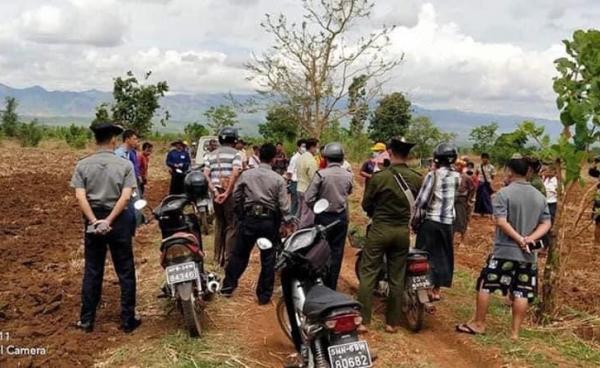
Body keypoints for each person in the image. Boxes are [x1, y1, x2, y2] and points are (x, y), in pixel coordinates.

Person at [457, 156, 551, 340]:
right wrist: (529, 239)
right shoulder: (540, 196)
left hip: (504, 250)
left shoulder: (504, 193)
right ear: (528, 172)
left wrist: (518, 239)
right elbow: (546, 223)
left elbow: (501, 221)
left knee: (485, 284)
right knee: (521, 291)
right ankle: (515, 333)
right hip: (528, 253)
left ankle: (479, 323)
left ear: (510, 171)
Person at [70, 123, 141, 333]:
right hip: (118, 221)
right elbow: (126, 196)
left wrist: (94, 221)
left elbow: (80, 196)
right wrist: (109, 220)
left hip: (94, 220)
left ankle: (86, 321)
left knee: (92, 270)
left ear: (95, 140)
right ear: (113, 140)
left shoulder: (82, 165)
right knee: (125, 270)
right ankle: (128, 320)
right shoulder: (124, 165)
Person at [357, 137, 422, 334]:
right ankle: (391, 323)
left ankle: (363, 321)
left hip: (380, 229)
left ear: (390, 153)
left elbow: (366, 205)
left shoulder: (380, 177)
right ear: (408, 155)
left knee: (368, 273)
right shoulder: (417, 178)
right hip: (402, 232)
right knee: (397, 276)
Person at [221, 143, 290, 304]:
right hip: (268, 223)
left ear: (258, 156)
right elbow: (284, 205)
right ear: (274, 159)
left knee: (239, 254)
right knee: (268, 258)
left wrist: (240, 214)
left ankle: (228, 287)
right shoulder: (278, 179)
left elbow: (237, 196)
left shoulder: (246, 175)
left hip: (249, 220)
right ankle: (264, 296)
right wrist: (287, 222)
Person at [413, 143, 460, 301]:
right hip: (447, 223)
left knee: (424, 255)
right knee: (443, 256)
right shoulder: (457, 176)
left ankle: (424, 288)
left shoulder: (433, 176)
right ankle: (437, 290)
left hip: (431, 222)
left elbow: (422, 201)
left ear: (437, 158)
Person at [305, 142, 353, 290]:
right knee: (337, 253)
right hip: (340, 218)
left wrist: (316, 208)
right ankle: (331, 286)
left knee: (319, 251)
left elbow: (308, 198)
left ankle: (318, 284)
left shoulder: (321, 174)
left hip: (323, 218)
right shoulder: (349, 175)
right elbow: (349, 192)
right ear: (341, 159)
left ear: (326, 158)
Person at [204, 127, 242, 267]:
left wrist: (214, 190)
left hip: (216, 193)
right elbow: (235, 173)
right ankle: (227, 260)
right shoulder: (236, 154)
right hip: (229, 194)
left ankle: (216, 257)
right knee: (231, 225)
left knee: (219, 223)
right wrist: (227, 192)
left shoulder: (211, 155)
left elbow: (206, 174)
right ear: (234, 140)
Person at [296, 138, 319, 228]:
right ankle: (303, 233)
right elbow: (314, 178)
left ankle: (296, 229)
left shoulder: (301, 157)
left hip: (299, 187)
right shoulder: (311, 160)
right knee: (307, 216)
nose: (317, 150)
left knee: (300, 212)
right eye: (317, 147)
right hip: (307, 190)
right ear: (312, 147)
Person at [454, 159, 476, 246]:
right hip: (453, 200)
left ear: (462, 167)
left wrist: (469, 199)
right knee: (453, 220)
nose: (457, 167)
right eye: (456, 165)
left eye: (459, 165)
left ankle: (462, 240)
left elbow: (473, 188)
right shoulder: (453, 176)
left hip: (462, 200)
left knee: (462, 219)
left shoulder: (466, 177)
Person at [286, 139, 306, 217]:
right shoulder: (295, 158)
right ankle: (291, 219)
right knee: (295, 203)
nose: (304, 148)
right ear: (298, 147)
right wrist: (290, 184)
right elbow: (290, 171)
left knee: (300, 204)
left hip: (302, 183)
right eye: (303, 146)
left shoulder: (304, 157)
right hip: (295, 183)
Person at [474, 153, 496, 217]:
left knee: (486, 197)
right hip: (480, 183)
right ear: (481, 159)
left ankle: (488, 211)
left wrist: (489, 182)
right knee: (479, 198)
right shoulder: (478, 166)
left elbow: (492, 176)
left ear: (488, 159)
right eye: (483, 158)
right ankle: (479, 211)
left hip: (487, 184)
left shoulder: (491, 167)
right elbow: (476, 174)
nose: (484, 160)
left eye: (486, 158)